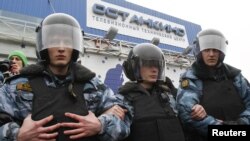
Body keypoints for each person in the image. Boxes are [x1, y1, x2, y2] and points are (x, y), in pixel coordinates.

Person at [0, 13, 132, 141]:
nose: (61, 48)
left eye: (67, 42)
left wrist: (100, 125)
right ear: (43, 45)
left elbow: (124, 123)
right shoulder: (16, 86)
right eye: (54, 41)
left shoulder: (93, 86)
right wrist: (17, 135)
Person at [176, 29, 250, 141]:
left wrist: (240, 125)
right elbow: (187, 113)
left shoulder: (235, 76)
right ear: (199, 51)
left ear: (221, 52)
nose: (211, 54)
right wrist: (224, 131)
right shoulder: (191, 78)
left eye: (215, 50)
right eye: (207, 50)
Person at [119, 43, 185, 141]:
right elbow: (116, 131)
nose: (154, 70)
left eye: (156, 65)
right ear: (135, 66)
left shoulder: (170, 95)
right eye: (148, 65)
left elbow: (188, 119)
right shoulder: (124, 99)